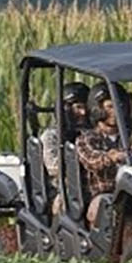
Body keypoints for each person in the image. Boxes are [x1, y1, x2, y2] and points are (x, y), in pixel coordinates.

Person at [74, 86, 132, 225]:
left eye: (120, 106)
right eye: (110, 106)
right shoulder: (87, 138)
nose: (116, 111)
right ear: (97, 109)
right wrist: (111, 157)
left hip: (131, 192)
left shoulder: (129, 136)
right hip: (103, 194)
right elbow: (91, 160)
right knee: (102, 208)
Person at [36, 81, 89, 217]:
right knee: (64, 204)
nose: (83, 113)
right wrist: (88, 160)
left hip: (90, 186)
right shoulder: (51, 136)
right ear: (65, 109)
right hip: (61, 191)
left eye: (86, 107)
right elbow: (54, 167)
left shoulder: (91, 134)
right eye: (78, 108)